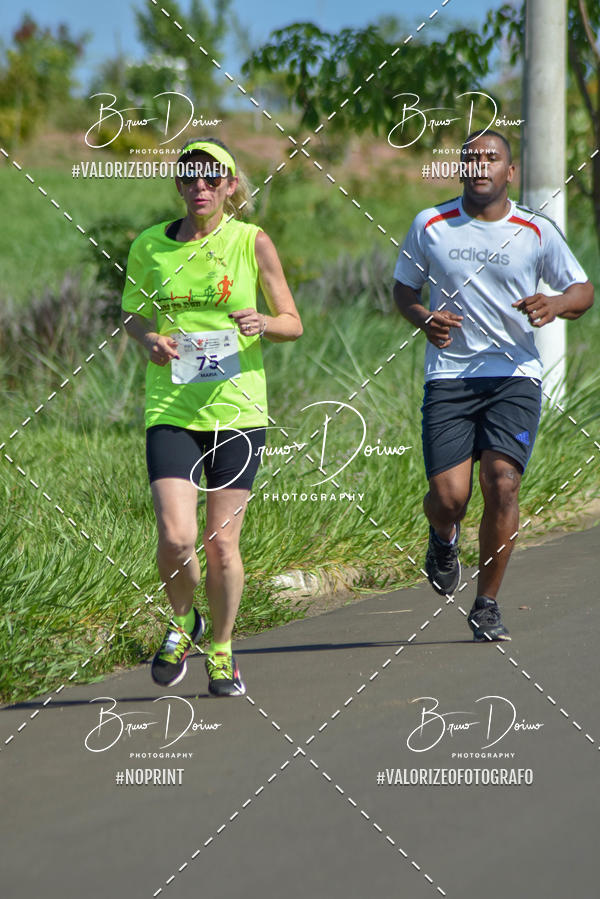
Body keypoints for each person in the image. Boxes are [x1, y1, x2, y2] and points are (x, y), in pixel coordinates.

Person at [393, 130, 593, 641]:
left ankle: (486, 604)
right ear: (461, 169)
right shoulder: (431, 225)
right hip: (450, 377)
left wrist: (556, 304)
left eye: (493, 157)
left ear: (511, 172)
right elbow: (402, 289)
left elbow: (583, 289)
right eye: (471, 158)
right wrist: (422, 317)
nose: (481, 164)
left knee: (503, 482)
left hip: (515, 376)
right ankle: (443, 537)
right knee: (449, 497)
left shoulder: (535, 229)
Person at [122, 137, 302, 694]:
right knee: (177, 538)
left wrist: (261, 324)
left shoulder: (252, 242)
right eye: (190, 178)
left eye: (211, 178)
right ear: (179, 186)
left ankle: (221, 647)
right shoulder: (150, 245)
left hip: (237, 411)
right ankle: (184, 622)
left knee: (221, 543)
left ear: (229, 186)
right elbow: (131, 314)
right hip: (171, 407)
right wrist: (148, 337)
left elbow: (292, 321)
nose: (200, 187)